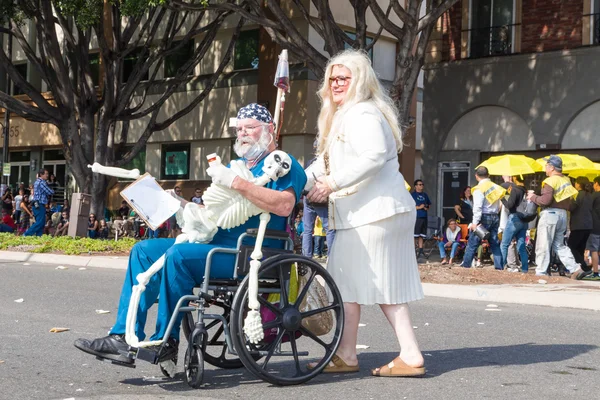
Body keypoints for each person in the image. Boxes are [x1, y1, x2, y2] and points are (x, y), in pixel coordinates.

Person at [74, 103, 306, 366]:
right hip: (215, 243)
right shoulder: (237, 165)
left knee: (178, 255)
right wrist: (179, 203)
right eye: (239, 128)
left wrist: (236, 182)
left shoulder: (283, 164)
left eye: (249, 128)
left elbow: (284, 205)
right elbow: (215, 212)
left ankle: (165, 340)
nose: (242, 133)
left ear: (269, 130)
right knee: (144, 251)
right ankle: (122, 337)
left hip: (250, 253)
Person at [305, 50, 425, 377]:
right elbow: (325, 164)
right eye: (332, 78)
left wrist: (330, 183)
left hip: (374, 213)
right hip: (373, 213)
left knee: (380, 286)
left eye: (344, 78)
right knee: (349, 284)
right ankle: (347, 354)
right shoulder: (350, 115)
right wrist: (294, 179)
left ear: (360, 81)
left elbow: (372, 156)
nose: (336, 84)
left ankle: (409, 355)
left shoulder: (362, 114)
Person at [527, 155, 585, 279]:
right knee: (559, 245)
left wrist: (532, 197)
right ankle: (575, 268)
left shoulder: (550, 181)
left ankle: (541, 272)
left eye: (546, 165)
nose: (545, 168)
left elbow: (545, 201)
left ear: (552, 167)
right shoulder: (567, 180)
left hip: (550, 215)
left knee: (543, 244)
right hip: (563, 215)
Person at [460, 166, 504, 270]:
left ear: (476, 176)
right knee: (495, 244)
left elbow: (478, 207)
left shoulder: (479, 189)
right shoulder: (496, 187)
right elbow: (501, 202)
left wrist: (475, 222)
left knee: (472, 243)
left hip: (483, 218)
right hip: (495, 216)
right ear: (488, 175)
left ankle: (466, 266)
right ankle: (499, 267)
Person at [499, 175, 528, 272]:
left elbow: (509, 205)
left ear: (515, 179)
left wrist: (502, 198)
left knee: (504, 244)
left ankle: (501, 266)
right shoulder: (525, 190)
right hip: (524, 220)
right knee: (521, 245)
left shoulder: (515, 190)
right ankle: (525, 269)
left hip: (514, 218)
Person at [567, 177, 593, 272]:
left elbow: (572, 207)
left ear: (578, 184)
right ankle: (582, 268)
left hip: (578, 225)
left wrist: (568, 202)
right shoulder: (590, 195)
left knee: (571, 246)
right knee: (580, 248)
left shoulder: (577, 195)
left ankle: (582, 266)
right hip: (588, 225)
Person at [24, 169, 54, 236]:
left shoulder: (37, 181)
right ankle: (26, 234)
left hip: (36, 204)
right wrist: (52, 190)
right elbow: (50, 192)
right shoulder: (42, 182)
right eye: (46, 174)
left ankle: (39, 236)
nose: (47, 175)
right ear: (41, 174)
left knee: (40, 222)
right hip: (40, 204)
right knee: (40, 222)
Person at [412, 179, 431, 259]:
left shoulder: (425, 195)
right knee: (415, 235)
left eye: (422, 184)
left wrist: (426, 208)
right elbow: (411, 206)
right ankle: (413, 251)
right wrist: (419, 207)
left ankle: (420, 250)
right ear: (416, 186)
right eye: (420, 184)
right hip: (417, 217)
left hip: (424, 217)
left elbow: (429, 204)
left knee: (421, 235)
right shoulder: (413, 195)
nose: (421, 186)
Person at [586, 177, 600, 278]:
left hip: (595, 226)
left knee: (594, 250)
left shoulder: (594, 196)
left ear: (596, 183)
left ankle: (595, 273)